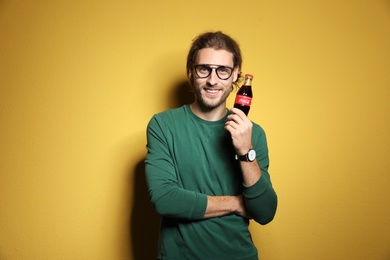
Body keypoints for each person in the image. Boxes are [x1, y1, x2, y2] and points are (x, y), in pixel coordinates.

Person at [145, 31, 277, 260]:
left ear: (235, 74)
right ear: (190, 71)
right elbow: (165, 199)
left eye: (223, 70)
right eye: (204, 69)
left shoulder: (253, 133)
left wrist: (245, 151)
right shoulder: (163, 125)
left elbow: (265, 212)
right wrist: (237, 203)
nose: (213, 80)